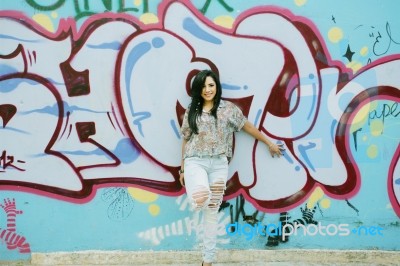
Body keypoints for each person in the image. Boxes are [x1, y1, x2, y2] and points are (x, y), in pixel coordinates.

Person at [179, 69, 284, 266]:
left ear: (216, 86)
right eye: (203, 86)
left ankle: (207, 260)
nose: (208, 89)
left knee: (211, 211)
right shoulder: (191, 110)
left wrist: (268, 142)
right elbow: (185, 139)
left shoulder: (228, 109)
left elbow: (248, 127)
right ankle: (198, 198)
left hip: (219, 164)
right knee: (201, 199)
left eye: (211, 85)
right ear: (198, 90)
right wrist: (182, 169)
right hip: (195, 161)